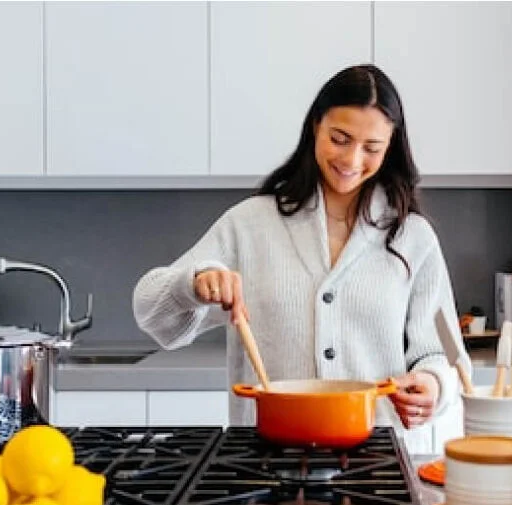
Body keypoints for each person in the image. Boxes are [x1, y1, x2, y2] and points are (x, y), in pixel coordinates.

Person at [133, 64, 467, 449]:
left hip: (378, 464)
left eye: (371, 148)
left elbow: (438, 352)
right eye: (339, 139)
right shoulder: (252, 223)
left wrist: (432, 385)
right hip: (265, 461)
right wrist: (193, 283)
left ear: (390, 148)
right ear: (315, 128)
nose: (352, 159)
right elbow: (151, 313)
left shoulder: (413, 237)